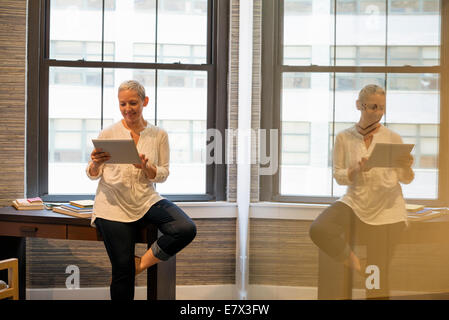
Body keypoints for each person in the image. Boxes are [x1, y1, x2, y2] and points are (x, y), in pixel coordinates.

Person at [86, 80, 197, 300]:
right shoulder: (108, 133)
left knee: (186, 228)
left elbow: (164, 173)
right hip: (112, 204)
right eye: (123, 104)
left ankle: (140, 263)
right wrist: (95, 164)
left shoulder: (158, 135)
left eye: (133, 103)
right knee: (121, 272)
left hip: (146, 199)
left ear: (145, 102)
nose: (128, 109)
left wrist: (147, 168)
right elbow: (91, 174)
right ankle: (128, 268)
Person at [309, 84, 414, 299]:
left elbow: (407, 179)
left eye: (382, 108)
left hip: (388, 211)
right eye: (372, 107)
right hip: (355, 203)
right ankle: (359, 265)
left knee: (376, 281)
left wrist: (406, 165)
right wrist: (355, 169)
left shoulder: (393, 138)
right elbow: (339, 176)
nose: (377, 112)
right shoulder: (344, 138)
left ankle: (369, 270)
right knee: (319, 229)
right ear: (359, 105)